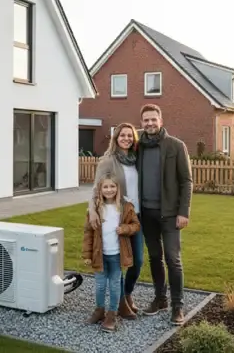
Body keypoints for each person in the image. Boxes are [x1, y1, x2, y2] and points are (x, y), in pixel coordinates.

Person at [136, 103, 193, 325]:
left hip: (170, 214)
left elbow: (186, 181)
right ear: (141, 123)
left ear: (161, 121)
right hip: (146, 213)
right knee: (154, 257)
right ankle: (160, 299)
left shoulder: (176, 146)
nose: (150, 123)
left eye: (153, 119)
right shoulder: (138, 146)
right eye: (146, 120)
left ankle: (177, 306)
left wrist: (183, 212)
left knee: (173, 259)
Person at [86, 123, 143, 320]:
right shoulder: (108, 161)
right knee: (119, 259)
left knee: (137, 261)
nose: (126, 138)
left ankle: (126, 293)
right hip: (117, 217)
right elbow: (96, 188)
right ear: (116, 138)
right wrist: (92, 210)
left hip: (136, 216)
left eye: (130, 135)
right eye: (122, 135)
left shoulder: (136, 159)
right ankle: (121, 304)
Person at [82, 173, 140, 333]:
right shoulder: (95, 209)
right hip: (99, 255)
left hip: (116, 255)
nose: (109, 190)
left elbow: (136, 225)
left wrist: (125, 229)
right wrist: (87, 255)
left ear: (118, 188)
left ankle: (112, 314)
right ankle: (99, 310)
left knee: (115, 285)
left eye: (112, 186)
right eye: (105, 187)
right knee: (100, 285)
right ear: (100, 189)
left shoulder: (126, 207)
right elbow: (88, 233)